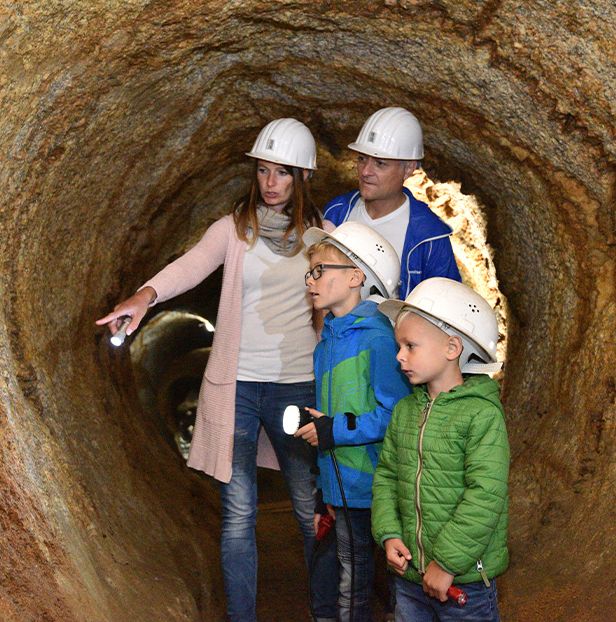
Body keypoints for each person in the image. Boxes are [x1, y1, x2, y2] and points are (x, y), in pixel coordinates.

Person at [96, 118, 339, 622]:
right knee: (238, 515)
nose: (270, 182)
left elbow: (349, 297)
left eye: (282, 173)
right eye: (263, 170)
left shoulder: (323, 237)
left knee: (307, 509)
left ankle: (325, 612)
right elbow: (190, 266)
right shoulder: (233, 231)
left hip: (297, 387)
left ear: (302, 179)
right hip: (236, 389)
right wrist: (144, 297)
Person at [372, 278, 509, 622]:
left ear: (452, 348)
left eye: (410, 346)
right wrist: (389, 533)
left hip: (463, 584)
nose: (399, 356)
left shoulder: (481, 414)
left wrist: (447, 562)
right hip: (409, 577)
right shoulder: (405, 411)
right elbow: (387, 475)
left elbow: (485, 496)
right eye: (398, 345)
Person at [294, 222, 412, 622]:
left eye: (320, 270)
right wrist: (319, 491)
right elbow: (325, 420)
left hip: (378, 483)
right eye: (310, 272)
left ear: (356, 277)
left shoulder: (377, 337)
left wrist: (335, 430)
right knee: (354, 577)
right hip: (342, 488)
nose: (311, 280)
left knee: (392, 580)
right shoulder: (326, 341)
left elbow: (396, 414)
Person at [323, 107, 461, 300]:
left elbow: (447, 307)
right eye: (362, 159)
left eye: (380, 163)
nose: (365, 171)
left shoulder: (430, 237)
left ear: (409, 169)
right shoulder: (337, 211)